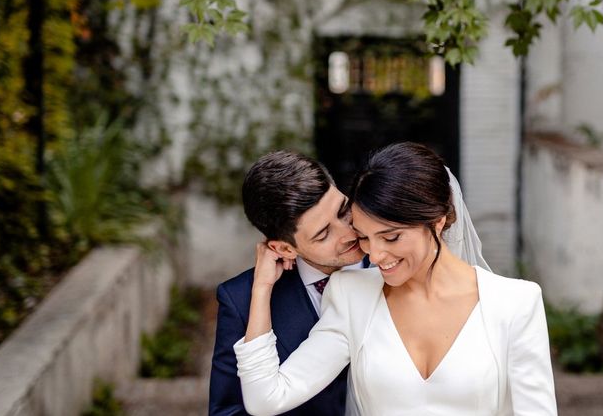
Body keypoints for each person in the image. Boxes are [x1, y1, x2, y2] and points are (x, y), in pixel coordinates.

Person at [234, 142, 558, 415]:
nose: (374, 257)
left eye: (390, 238)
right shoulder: (351, 294)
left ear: (438, 220)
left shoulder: (516, 303)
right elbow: (267, 398)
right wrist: (262, 288)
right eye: (363, 237)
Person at [209, 151, 367, 416]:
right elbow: (229, 411)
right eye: (323, 234)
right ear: (284, 248)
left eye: (343, 211)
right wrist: (262, 289)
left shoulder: (396, 266)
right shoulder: (240, 300)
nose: (348, 233)